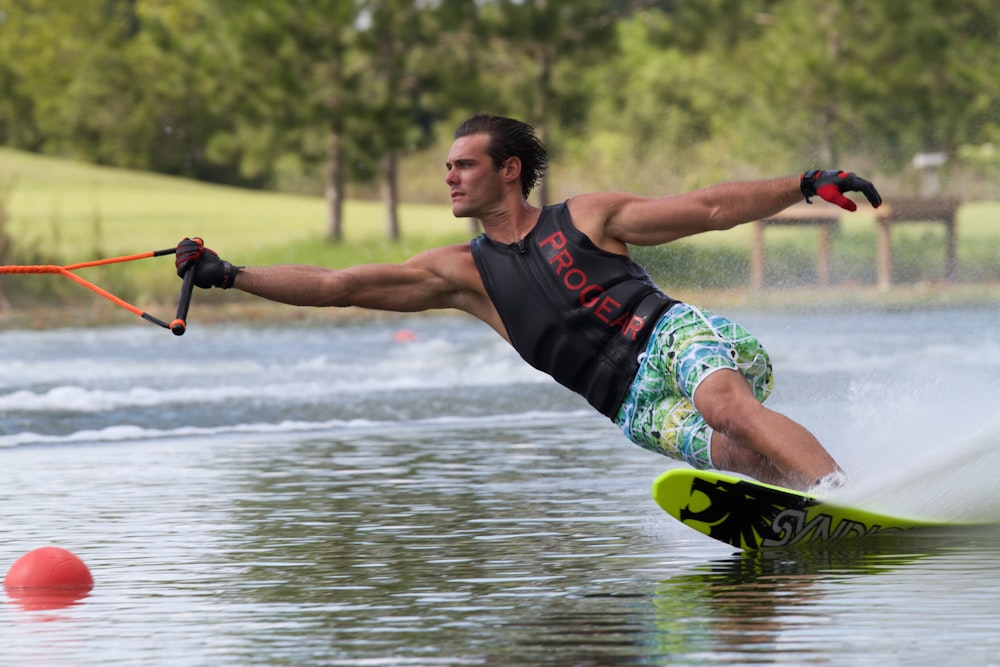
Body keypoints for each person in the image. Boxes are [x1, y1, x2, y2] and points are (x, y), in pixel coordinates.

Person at [175, 113, 882, 491]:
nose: (449, 176)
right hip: (629, 403)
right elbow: (338, 286)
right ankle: (815, 507)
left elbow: (707, 207)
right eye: (447, 166)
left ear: (509, 170)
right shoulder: (460, 275)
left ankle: (843, 491)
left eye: (464, 164)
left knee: (725, 409)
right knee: (732, 451)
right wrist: (231, 273)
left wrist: (804, 182)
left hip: (675, 337)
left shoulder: (587, 218)